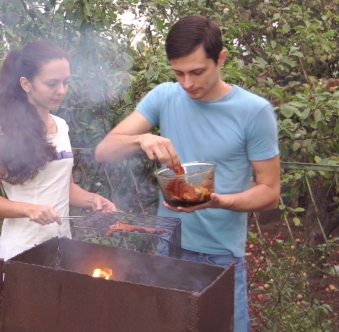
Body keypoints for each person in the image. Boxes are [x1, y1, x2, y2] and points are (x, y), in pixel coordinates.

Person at [95, 15, 280, 332]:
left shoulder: (254, 112)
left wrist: (220, 201)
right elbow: (104, 150)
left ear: (220, 59)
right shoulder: (164, 96)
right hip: (169, 247)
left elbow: (270, 191)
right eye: (178, 72)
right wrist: (141, 138)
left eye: (197, 72)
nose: (187, 83)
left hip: (221, 257)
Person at [0, 40, 116, 332]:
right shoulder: (1, 133)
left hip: (64, 248)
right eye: (52, 83)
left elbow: (64, 186)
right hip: (21, 252)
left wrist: (92, 199)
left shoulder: (61, 126)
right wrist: (29, 209)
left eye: (65, 82)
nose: (61, 90)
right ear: (26, 83)